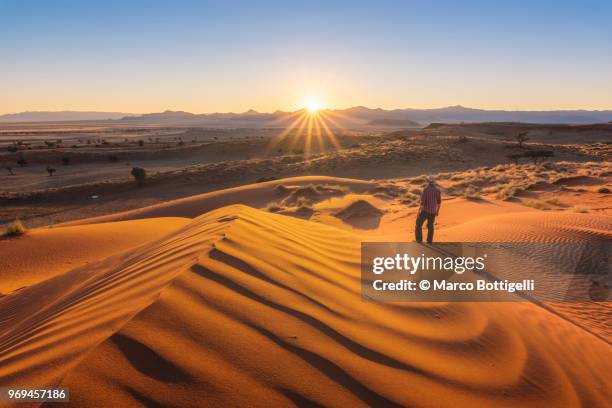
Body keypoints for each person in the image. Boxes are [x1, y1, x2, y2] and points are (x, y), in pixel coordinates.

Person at [415, 175, 441, 244]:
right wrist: (437, 211)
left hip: (425, 211)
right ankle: (429, 241)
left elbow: (423, 203)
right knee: (430, 226)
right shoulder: (438, 191)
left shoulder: (426, 189)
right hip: (433, 212)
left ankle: (419, 240)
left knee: (418, 224)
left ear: (428, 182)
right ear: (434, 182)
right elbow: (439, 203)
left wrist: (419, 212)